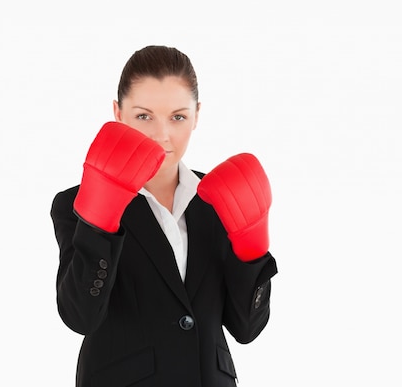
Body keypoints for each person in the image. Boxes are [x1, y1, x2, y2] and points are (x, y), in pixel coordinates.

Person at [50, 45, 278, 387]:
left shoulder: (219, 199)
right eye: (144, 116)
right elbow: (80, 317)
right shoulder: (75, 203)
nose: (162, 135)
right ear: (118, 112)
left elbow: (246, 329)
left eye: (178, 116)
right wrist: (100, 224)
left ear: (197, 115)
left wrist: (253, 250)